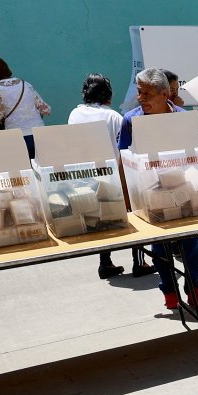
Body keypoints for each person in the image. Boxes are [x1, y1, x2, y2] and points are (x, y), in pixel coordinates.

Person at [120, 68, 198, 311]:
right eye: (139, 93)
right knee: (159, 245)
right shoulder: (130, 120)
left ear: (164, 94)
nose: (141, 98)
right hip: (149, 193)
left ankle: (194, 290)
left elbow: (196, 155)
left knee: (191, 243)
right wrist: (129, 201)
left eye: (146, 93)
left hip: (185, 189)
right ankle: (169, 291)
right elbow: (123, 159)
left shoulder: (182, 117)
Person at [68, 73, 152, 280]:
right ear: (108, 94)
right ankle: (138, 262)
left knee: (100, 221)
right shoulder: (114, 117)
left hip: (84, 176)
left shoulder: (74, 114)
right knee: (131, 217)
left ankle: (105, 264)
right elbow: (121, 149)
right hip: (112, 174)